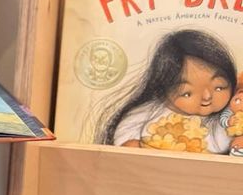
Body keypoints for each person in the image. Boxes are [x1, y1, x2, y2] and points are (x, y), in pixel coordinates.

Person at [96, 30, 235, 152]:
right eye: (187, 93)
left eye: (219, 87)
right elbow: (125, 142)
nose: (207, 97)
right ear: (163, 89)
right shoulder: (146, 115)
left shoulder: (230, 117)